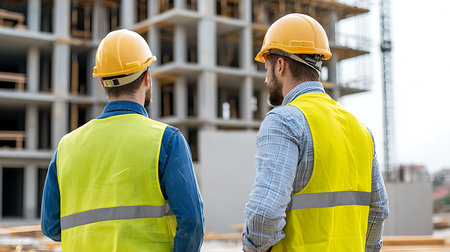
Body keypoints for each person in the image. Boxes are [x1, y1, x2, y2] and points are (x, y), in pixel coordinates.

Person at [41, 29, 204, 251]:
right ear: (147, 77)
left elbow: (50, 226)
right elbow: (192, 223)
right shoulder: (166, 141)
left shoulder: (66, 147)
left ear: (102, 83)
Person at [242, 14, 389, 252]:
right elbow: (378, 210)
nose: (266, 78)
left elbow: (265, 214)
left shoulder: (284, 121)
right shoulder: (360, 129)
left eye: (266, 67)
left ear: (280, 65)